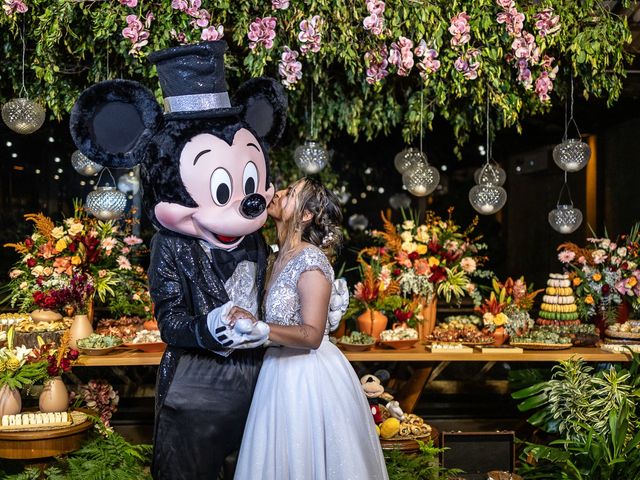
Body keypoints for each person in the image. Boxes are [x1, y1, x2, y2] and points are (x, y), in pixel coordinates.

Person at [233, 177, 389, 480]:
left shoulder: (310, 260)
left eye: (290, 193)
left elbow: (312, 335)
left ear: (305, 215)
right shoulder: (275, 257)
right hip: (275, 371)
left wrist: (260, 327)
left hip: (306, 377)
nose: (277, 194)